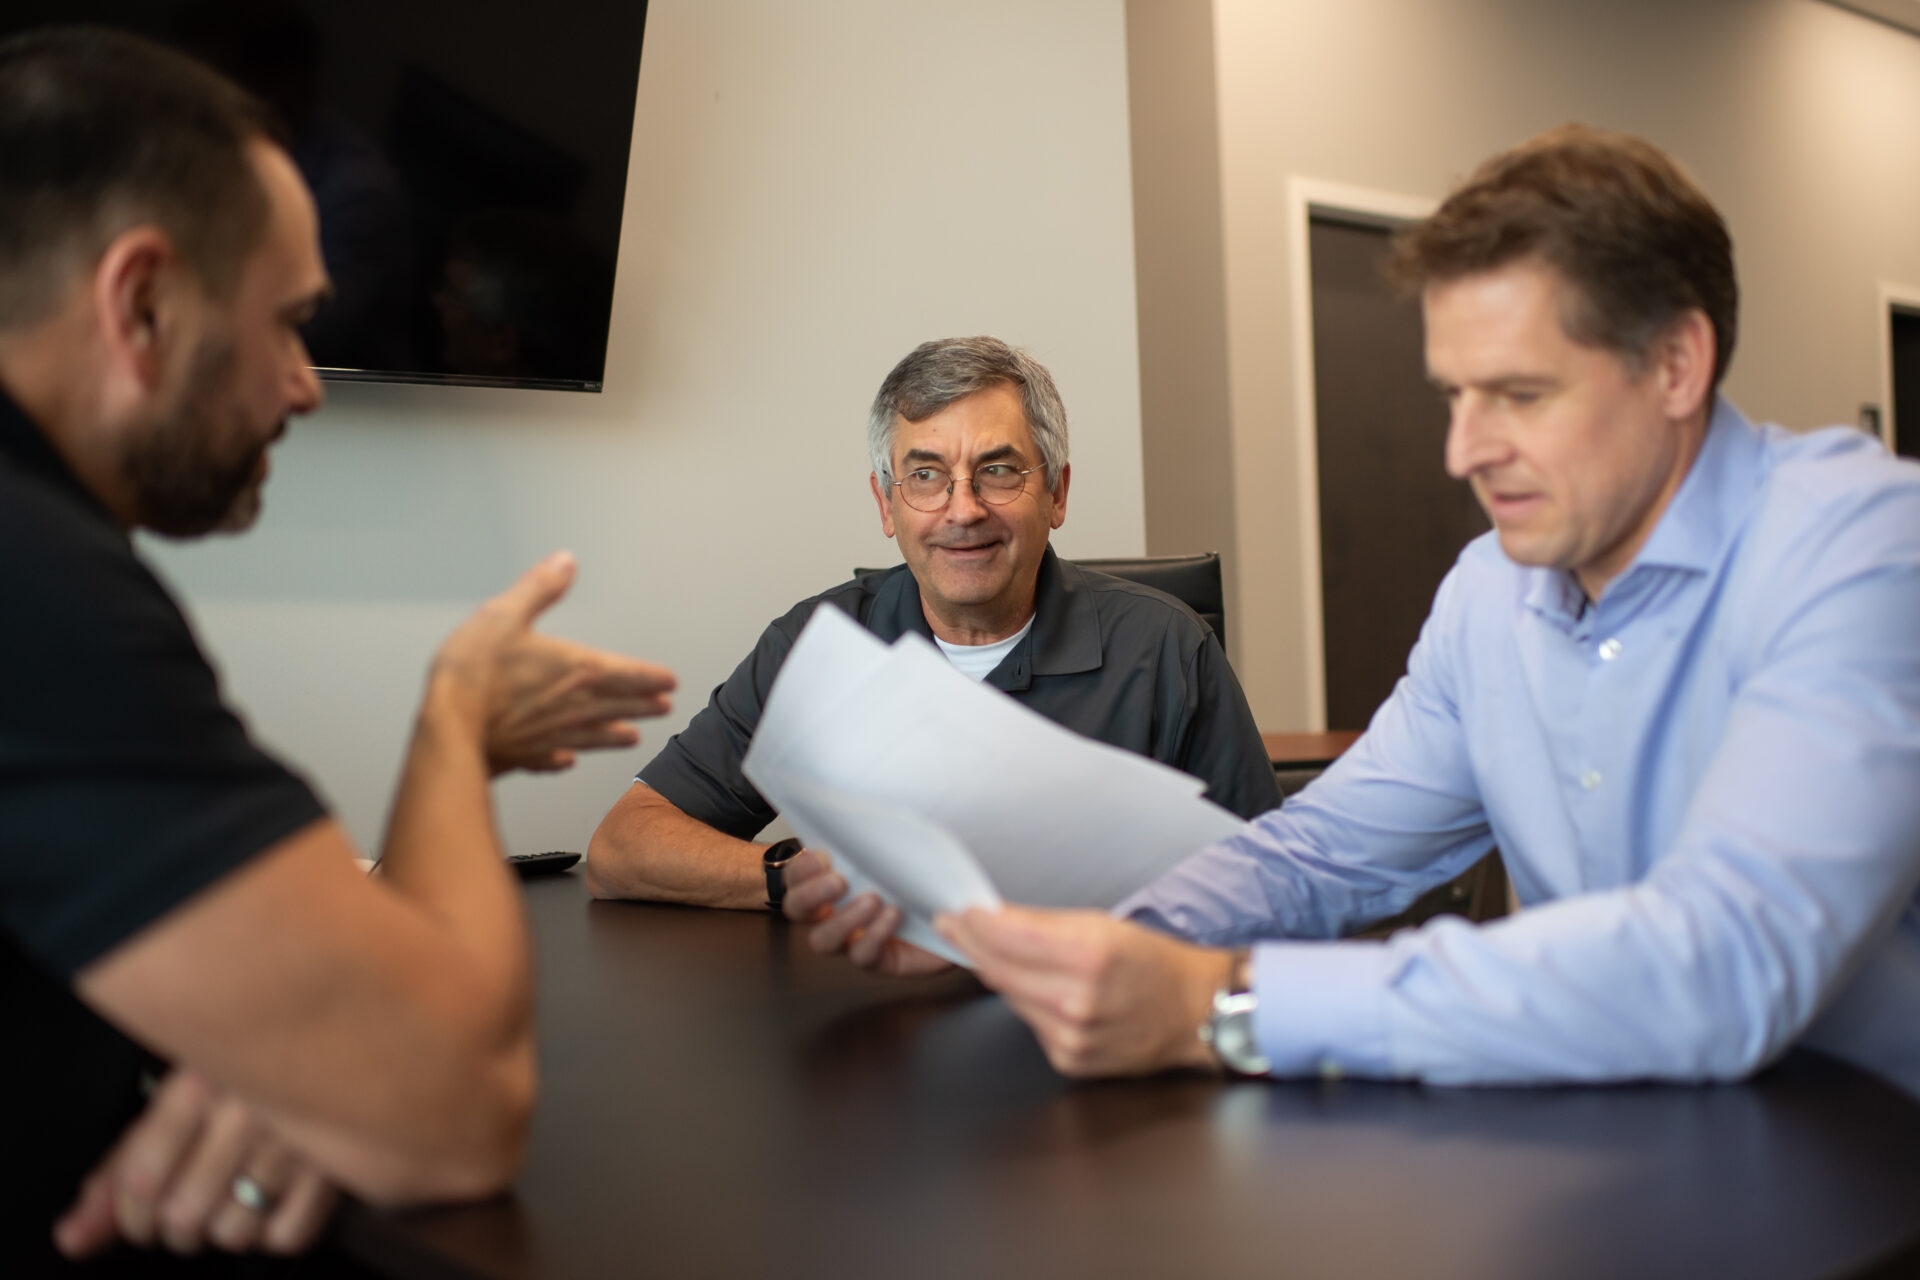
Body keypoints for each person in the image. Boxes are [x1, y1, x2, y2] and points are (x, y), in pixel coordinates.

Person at [796, 125, 1920, 1095]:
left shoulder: (1862, 544)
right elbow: (1324, 853)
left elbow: (1725, 962)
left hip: (1865, 1155)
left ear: (1678, 363)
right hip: (1636, 1131)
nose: (1463, 450)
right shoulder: (1494, 588)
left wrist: (1226, 998)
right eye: (1455, 395)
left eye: (1519, 394)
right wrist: (1028, 943)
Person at [0, 28, 677, 1268]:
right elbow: (455, 1106)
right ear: (140, 304)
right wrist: (456, 718)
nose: (305, 384)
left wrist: (280, 1057)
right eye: (290, 323)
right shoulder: (42, 592)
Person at [586, 336, 1280, 933]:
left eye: (998, 471)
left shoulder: (1167, 649)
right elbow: (622, 846)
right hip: (864, 1034)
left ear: (1058, 494)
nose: (963, 509)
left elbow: (1266, 884)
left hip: (1090, 1022)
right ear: (887, 505)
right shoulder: (816, 645)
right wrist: (792, 877)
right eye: (926, 476)